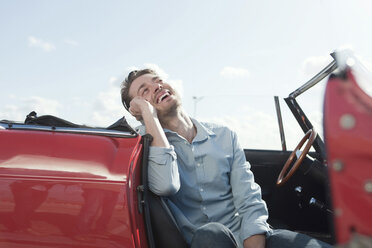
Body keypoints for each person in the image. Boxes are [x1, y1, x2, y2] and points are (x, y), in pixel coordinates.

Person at [120, 69, 332, 248]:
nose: (156, 86)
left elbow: (248, 196)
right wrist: (149, 115)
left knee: (297, 242)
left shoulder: (224, 135)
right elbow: (166, 185)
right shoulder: (143, 147)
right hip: (201, 242)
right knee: (211, 234)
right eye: (144, 91)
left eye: (158, 80)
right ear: (137, 110)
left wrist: (254, 239)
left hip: (244, 237)